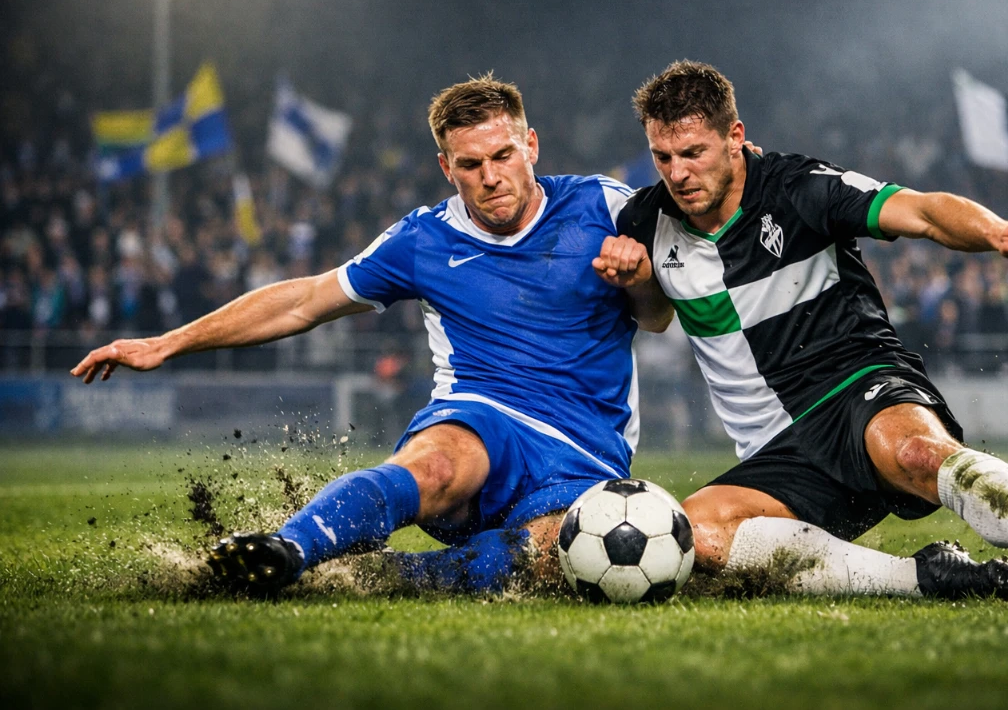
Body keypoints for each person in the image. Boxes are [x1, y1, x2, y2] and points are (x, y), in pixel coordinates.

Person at [72, 74, 653, 594]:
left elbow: (657, 314)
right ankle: (286, 550)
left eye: (503, 155)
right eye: (470, 166)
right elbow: (303, 302)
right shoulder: (423, 241)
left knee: (556, 554)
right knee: (436, 468)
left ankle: (394, 575)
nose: (490, 177)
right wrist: (168, 342)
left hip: (585, 453)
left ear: (530, 145)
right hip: (484, 417)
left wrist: (642, 276)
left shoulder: (603, 206)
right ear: (446, 168)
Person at [594, 60, 1008, 607]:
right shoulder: (645, 219)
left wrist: (996, 231)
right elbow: (655, 317)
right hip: (777, 450)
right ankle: (926, 578)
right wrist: (638, 281)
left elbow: (921, 211)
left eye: (693, 154)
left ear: (735, 138)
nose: (677, 174)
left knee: (916, 452)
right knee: (695, 537)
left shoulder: (799, 188)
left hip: (856, 391)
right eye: (663, 157)